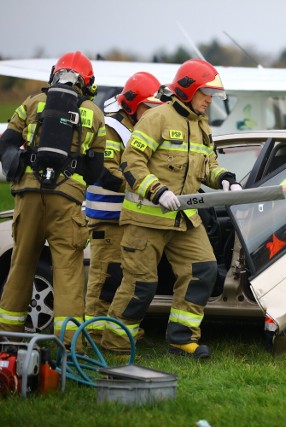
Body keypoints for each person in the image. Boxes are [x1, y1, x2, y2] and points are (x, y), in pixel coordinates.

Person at [100, 59, 242, 358]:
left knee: (202, 270)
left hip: (184, 219)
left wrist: (226, 179)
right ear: (189, 90)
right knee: (140, 285)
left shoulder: (201, 125)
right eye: (206, 93)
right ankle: (116, 346)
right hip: (146, 220)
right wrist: (157, 190)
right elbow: (130, 162)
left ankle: (182, 339)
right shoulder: (157, 118)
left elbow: (208, 166)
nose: (210, 100)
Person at [0, 52, 106, 350]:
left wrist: (22, 168)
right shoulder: (94, 114)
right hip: (67, 201)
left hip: (29, 195)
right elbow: (97, 169)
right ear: (88, 83)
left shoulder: (32, 103)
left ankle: (9, 341)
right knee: (68, 271)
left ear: (54, 74)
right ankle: (70, 349)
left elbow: (6, 143)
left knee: (21, 264)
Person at [84, 72, 162, 340]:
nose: (150, 113)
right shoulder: (111, 129)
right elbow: (107, 173)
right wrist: (144, 189)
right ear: (132, 104)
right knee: (105, 279)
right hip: (107, 218)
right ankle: (95, 336)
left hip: (124, 217)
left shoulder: (133, 128)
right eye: (147, 107)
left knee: (121, 276)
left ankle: (113, 332)